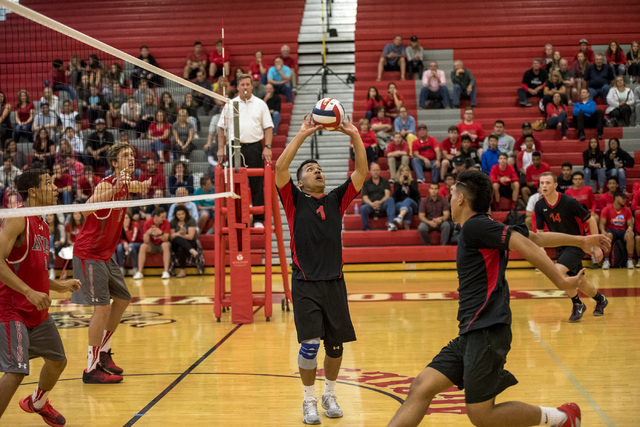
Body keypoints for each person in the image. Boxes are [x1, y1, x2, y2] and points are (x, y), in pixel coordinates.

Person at [387, 169, 605, 427]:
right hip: (471, 332)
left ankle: (562, 419)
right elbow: (535, 237)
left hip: (487, 330)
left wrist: (561, 280)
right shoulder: (483, 226)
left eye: (452, 192)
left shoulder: (475, 226)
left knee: (481, 414)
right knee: (422, 386)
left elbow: (523, 243)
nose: (449, 198)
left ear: (461, 199)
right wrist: (580, 240)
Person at [275, 114, 366, 424]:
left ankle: (329, 393)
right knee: (310, 344)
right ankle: (309, 400)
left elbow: (362, 172)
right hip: (305, 283)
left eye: (320, 169)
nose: (318, 172)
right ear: (301, 181)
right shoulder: (293, 199)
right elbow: (279, 169)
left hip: (334, 282)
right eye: (311, 170)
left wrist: (354, 134)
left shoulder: (335, 199)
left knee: (336, 347)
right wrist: (302, 133)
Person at [0, 170, 81, 426]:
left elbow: (33, 269)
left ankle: (36, 402)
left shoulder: (44, 223)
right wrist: (28, 292)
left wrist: (57, 286)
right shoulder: (17, 218)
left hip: (37, 310)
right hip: (12, 309)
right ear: (33, 191)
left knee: (58, 362)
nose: (56, 188)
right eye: (49, 183)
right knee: (15, 372)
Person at [72, 143, 151, 383]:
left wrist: (144, 185)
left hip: (105, 254)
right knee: (102, 308)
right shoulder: (106, 184)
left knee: (124, 299)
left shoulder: (126, 184)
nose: (131, 159)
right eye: (125, 156)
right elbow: (86, 209)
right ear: (114, 163)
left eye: (132, 155)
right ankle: (91, 368)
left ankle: (104, 352)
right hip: (90, 252)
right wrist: (116, 187)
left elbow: (139, 186)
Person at [535, 172, 609, 321]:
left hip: (577, 244)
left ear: (555, 185)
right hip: (559, 246)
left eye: (548, 183)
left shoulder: (568, 201)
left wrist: (597, 247)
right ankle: (601, 300)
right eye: (541, 183)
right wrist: (540, 251)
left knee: (557, 274)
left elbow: (591, 221)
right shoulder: (539, 205)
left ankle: (577, 304)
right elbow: (540, 233)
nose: (544, 186)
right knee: (579, 281)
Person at [217, 74, 273, 228]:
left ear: (251, 86)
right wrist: (221, 148)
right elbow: (221, 128)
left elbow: (268, 127)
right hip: (234, 148)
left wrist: (267, 147)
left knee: (257, 184)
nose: (246, 87)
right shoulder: (230, 104)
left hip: (255, 147)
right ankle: (238, 217)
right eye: (243, 85)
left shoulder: (261, 104)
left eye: (248, 84)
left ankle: (258, 219)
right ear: (238, 87)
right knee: (234, 184)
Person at [133, 207, 171, 280]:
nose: (164, 219)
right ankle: (140, 272)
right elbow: (145, 241)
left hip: (161, 245)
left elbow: (166, 238)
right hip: (152, 245)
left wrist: (161, 232)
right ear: (156, 217)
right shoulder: (147, 223)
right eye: (162, 217)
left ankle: (166, 271)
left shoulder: (166, 222)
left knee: (165, 244)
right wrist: (148, 232)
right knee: (143, 246)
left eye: (164, 217)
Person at [599, 192, 634, 269]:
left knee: (630, 235)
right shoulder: (607, 209)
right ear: (616, 198)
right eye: (623, 199)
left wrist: (630, 229)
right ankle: (606, 261)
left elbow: (630, 224)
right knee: (608, 235)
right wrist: (603, 231)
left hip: (622, 231)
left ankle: (630, 261)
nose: (625, 200)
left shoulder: (627, 210)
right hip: (611, 230)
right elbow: (602, 223)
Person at [360, 162, 395, 231]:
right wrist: (372, 204)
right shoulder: (366, 183)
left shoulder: (385, 182)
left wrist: (379, 202)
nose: (376, 172)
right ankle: (366, 228)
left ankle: (391, 224)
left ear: (380, 171)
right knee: (363, 208)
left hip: (382, 204)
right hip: (370, 205)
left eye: (377, 170)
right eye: (374, 170)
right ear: (370, 171)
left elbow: (387, 195)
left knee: (390, 200)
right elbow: (365, 198)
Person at [169, 205, 200, 278]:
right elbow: (171, 237)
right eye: (178, 214)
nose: (181, 216)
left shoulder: (191, 220)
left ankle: (182, 271)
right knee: (177, 239)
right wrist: (178, 233)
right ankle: (192, 251)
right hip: (176, 243)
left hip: (190, 242)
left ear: (186, 213)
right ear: (175, 215)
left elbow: (190, 236)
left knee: (181, 248)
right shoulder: (173, 222)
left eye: (182, 214)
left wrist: (177, 235)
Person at [393, 164, 421, 229]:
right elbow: (395, 197)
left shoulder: (413, 183)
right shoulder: (397, 183)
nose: (404, 172)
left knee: (408, 200)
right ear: (400, 173)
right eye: (402, 171)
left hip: (412, 203)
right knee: (409, 209)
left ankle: (400, 216)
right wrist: (400, 185)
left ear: (409, 172)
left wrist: (410, 185)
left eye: (406, 170)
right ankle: (407, 229)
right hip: (399, 203)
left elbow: (417, 196)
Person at [116, 212, 142, 277]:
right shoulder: (119, 226)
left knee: (131, 246)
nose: (125, 220)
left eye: (127, 218)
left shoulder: (135, 224)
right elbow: (118, 239)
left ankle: (135, 269)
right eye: (123, 218)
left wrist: (126, 229)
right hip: (126, 244)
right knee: (119, 246)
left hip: (138, 244)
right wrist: (124, 242)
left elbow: (132, 240)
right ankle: (121, 269)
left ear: (130, 218)